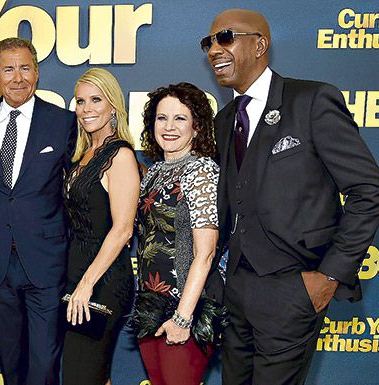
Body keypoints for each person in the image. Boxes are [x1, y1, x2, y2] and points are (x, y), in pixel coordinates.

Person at [202, 9, 379, 384]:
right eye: (207, 43)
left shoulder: (312, 100)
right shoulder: (224, 121)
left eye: (225, 37)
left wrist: (329, 276)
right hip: (235, 291)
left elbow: (368, 190)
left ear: (259, 45)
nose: (213, 50)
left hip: (292, 288)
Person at [0, 37, 77, 385]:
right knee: (10, 362)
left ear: (38, 72)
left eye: (25, 68)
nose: (18, 78)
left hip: (45, 262)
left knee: (44, 364)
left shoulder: (64, 122)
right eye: (8, 69)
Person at [131, 82, 226, 385]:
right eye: (162, 118)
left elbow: (206, 253)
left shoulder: (201, 171)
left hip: (188, 306)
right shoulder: (155, 172)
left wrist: (183, 318)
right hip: (151, 305)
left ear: (197, 127)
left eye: (180, 119)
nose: (169, 127)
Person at [60, 68, 138, 385]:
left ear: (113, 106)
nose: (87, 108)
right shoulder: (83, 155)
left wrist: (86, 284)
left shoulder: (118, 156)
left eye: (96, 100)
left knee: (81, 376)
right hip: (77, 274)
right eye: (80, 101)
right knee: (93, 375)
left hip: (102, 281)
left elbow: (122, 230)